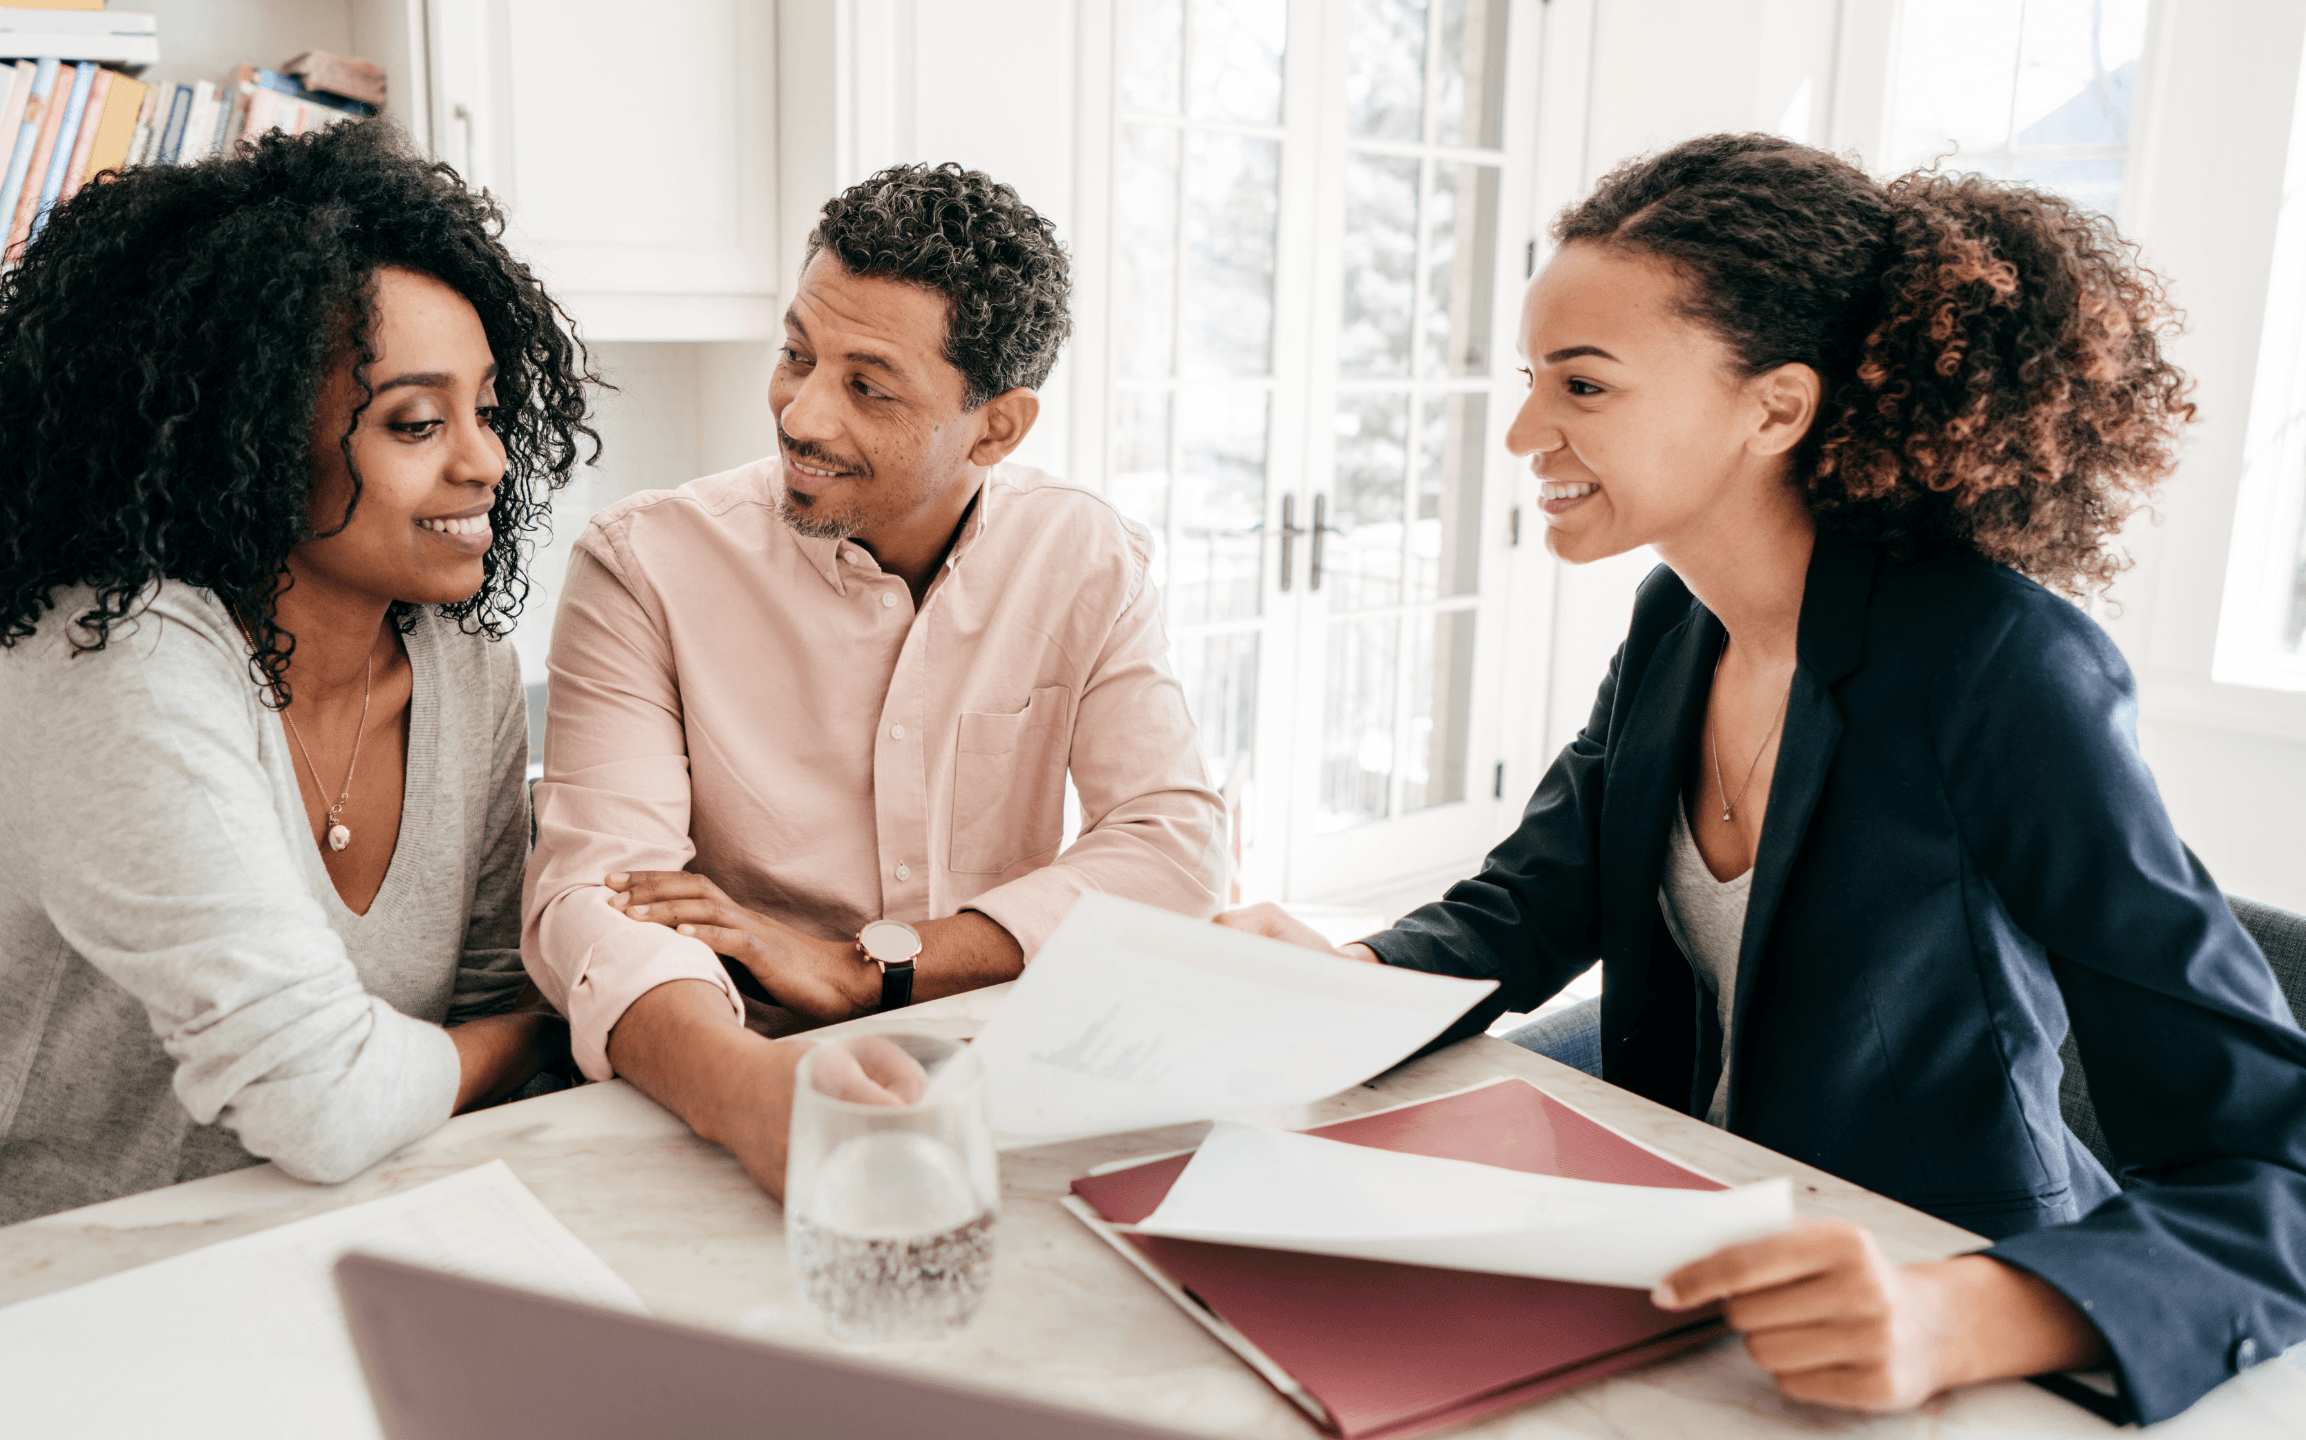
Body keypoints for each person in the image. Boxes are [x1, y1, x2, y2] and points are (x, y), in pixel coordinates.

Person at [1220, 133, 2306, 1424]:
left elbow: (2273, 1161)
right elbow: (1530, 903)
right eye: (1531, 379)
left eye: (1583, 385)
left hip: (1934, 1295)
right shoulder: (1677, 624)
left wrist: (1959, 1310)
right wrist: (1346, 981)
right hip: (1703, 1268)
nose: (1522, 432)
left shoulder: (2001, 668)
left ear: (1776, 407)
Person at [0, 123, 588, 1269]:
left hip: (257, 1254)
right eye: (416, 422)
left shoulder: (463, 667)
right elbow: (327, 1097)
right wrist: (536, 1034)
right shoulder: (121, 662)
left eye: (491, 411)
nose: (488, 462)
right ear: (254, 441)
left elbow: (477, 997)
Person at [525, 163, 1229, 1193]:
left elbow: (1172, 847)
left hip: (1009, 1073)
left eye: (866, 385)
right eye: (796, 355)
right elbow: (594, 898)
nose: (801, 416)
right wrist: (750, 1092)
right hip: (724, 1074)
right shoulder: (642, 565)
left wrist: (879, 962)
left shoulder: (1082, 557)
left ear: (996, 426)